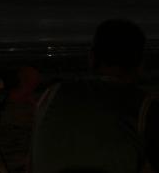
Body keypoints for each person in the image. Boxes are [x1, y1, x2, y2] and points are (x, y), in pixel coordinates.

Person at [33, 18, 159, 173]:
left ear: (92, 58)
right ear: (140, 64)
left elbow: (32, 160)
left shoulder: (52, 93)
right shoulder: (144, 108)